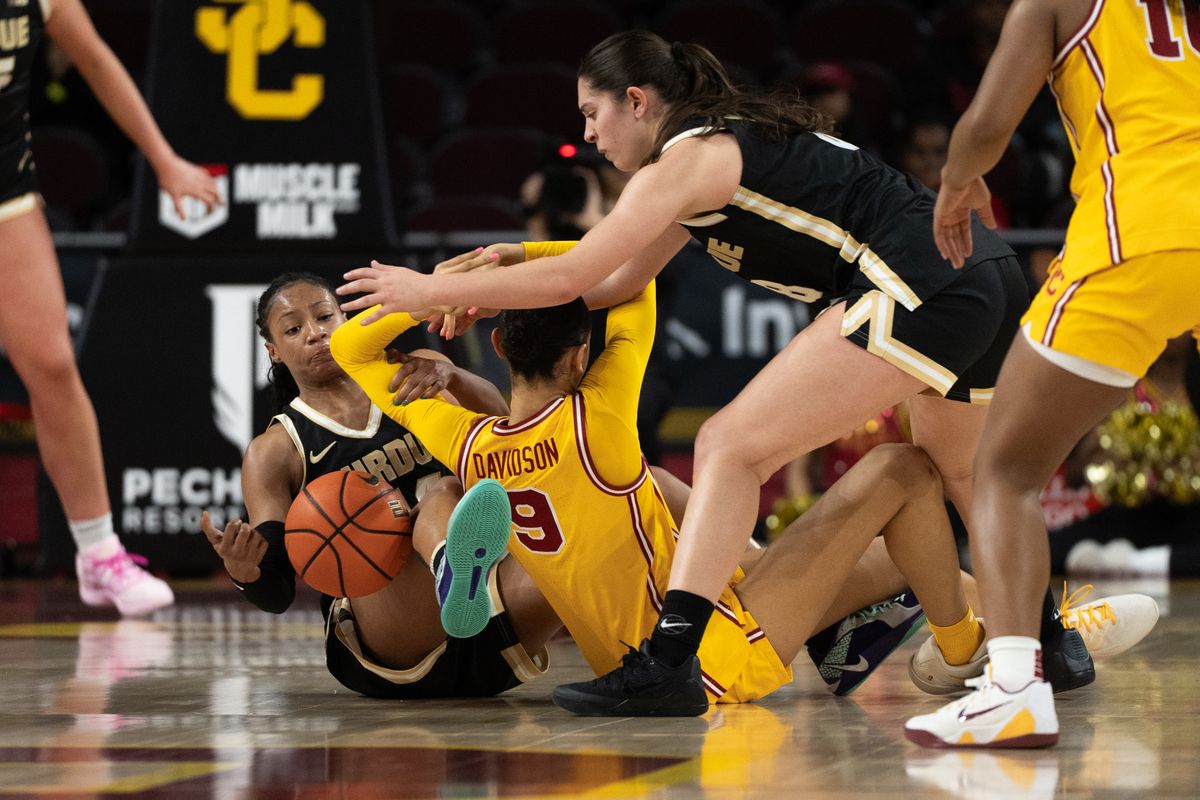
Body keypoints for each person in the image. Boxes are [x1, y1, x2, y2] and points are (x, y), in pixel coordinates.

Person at [336, 31, 1092, 711]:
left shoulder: (685, 159)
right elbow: (608, 284)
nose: (589, 134)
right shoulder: (702, 159)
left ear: (638, 100)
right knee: (969, 478)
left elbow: (580, 275)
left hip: (916, 276)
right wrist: (503, 267)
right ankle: (1050, 647)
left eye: (594, 114)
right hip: (979, 270)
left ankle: (668, 662)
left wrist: (432, 291)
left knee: (729, 444)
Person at [331, 243, 999, 715]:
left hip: (628, 659)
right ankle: (965, 648)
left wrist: (447, 285)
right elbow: (636, 276)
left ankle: (984, 630)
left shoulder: (467, 442)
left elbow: (348, 348)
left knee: (888, 560)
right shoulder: (600, 421)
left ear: (498, 347)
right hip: (711, 659)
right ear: (582, 353)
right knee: (902, 467)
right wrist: (508, 260)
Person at [906, 0, 1199, 748]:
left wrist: (958, 180)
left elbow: (986, 125)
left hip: (1141, 230)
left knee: (1003, 470)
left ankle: (1011, 690)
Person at [201, 273, 563, 699]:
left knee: (592, 545)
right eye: (294, 329)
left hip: (487, 624)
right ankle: (449, 565)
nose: (315, 334)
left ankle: (651, 653)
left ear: (346, 321)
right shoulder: (276, 449)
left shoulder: (416, 370)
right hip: (387, 638)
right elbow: (276, 591)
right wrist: (247, 573)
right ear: (273, 351)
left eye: (324, 318)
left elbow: (502, 433)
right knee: (443, 491)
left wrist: (453, 376)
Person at [1, 0, 220, 614]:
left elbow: (95, 59)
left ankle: (99, 555)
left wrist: (165, 160)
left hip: (5, 196)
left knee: (52, 365)